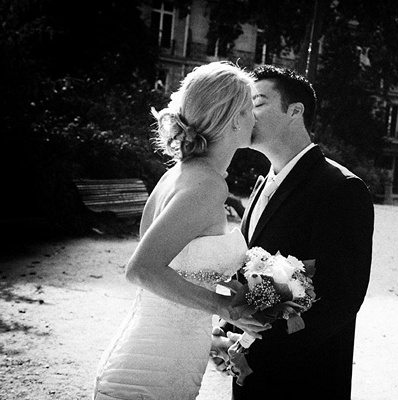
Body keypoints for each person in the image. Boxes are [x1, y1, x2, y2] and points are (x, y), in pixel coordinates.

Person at [93, 61, 269, 400]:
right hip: (150, 369)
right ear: (233, 118)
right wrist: (226, 308)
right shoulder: (207, 185)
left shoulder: (183, 174)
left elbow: (180, 273)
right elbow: (142, 269)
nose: (255, 117)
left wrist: (213, 336)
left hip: (167, 357)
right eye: (251, 108)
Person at [210, 65, 374, 400]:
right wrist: (229, 334)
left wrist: (258, 348)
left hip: (303, 380)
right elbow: (242, 271)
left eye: (256, 103)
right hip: (251, 375)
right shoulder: (261, 185)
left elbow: (340, 300)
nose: (245, 115)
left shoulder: (341, 189)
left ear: (294, 112)